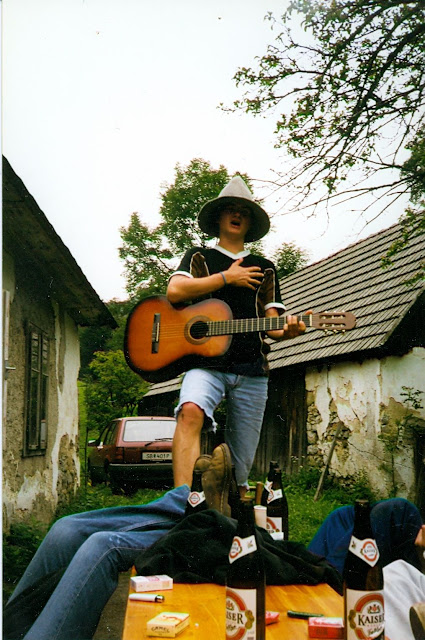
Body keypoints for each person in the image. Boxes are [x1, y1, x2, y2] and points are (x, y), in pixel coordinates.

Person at [166, 176, 306, 494]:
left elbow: (273, 326)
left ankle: (233, 510)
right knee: (189, 412)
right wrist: (226, 278)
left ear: (250, 222)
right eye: (230, 208)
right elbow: (175, 291)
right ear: (219, 217)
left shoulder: (265, 267)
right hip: (205, 363)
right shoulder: (199, 257)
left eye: (244, 211)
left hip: (251, 368)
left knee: (240, 467)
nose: (237, 214)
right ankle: (180, 502)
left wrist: (289, 331)